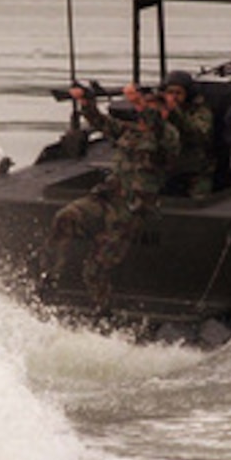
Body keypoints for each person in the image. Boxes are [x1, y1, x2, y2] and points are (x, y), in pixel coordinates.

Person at [40, 83, 181, 315]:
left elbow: (158, 129)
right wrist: (86, 102)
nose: (149, 113)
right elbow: (101, 123)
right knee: (65, 217)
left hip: (132, 208)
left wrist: (139, 102)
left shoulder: (168, 136)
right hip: (108, 197)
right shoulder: (129, 131)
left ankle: (103, 311)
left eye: (156, 109)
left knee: (96, 266)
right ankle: (49, 277)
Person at [160, 70, 215, 198]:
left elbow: (199, 134)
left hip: (195, 166)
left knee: (199, 199)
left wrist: (175, 114)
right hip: (167, 165)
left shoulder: (200, 110)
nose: (173, 97)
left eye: (178, 93)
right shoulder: (161, 109)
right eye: (170, 92)